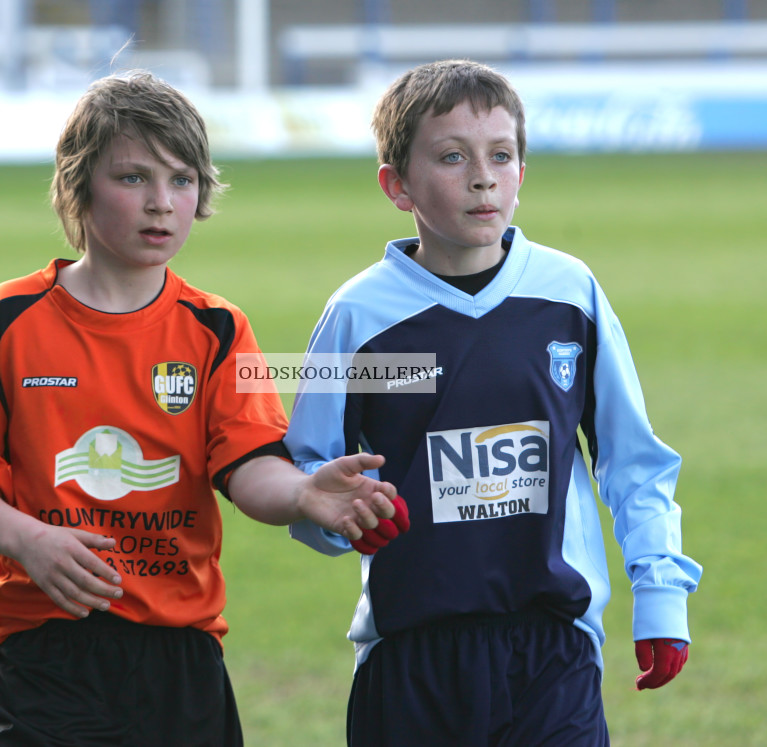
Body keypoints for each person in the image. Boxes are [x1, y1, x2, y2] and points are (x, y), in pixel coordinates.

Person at [0, 70, 402, 747]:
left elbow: (247, 465)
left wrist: (301, 493)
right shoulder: (8, 319)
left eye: (181, 180)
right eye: (133, 178)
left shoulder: (218, 329)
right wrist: (28, 538)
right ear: (78, 182)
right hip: (41, 647)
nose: (161, 203)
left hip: (180, 652)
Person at [284, 59, 703, 746]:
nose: (483, 176)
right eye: (452, 157)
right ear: (398, 185)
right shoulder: (360, 315)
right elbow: (310, 475)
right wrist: (338, 518)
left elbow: (632, 460)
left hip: (552, 650)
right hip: (410, 657)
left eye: (501, 155)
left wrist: (660, 592)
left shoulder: (569, 294)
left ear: (521, 173)